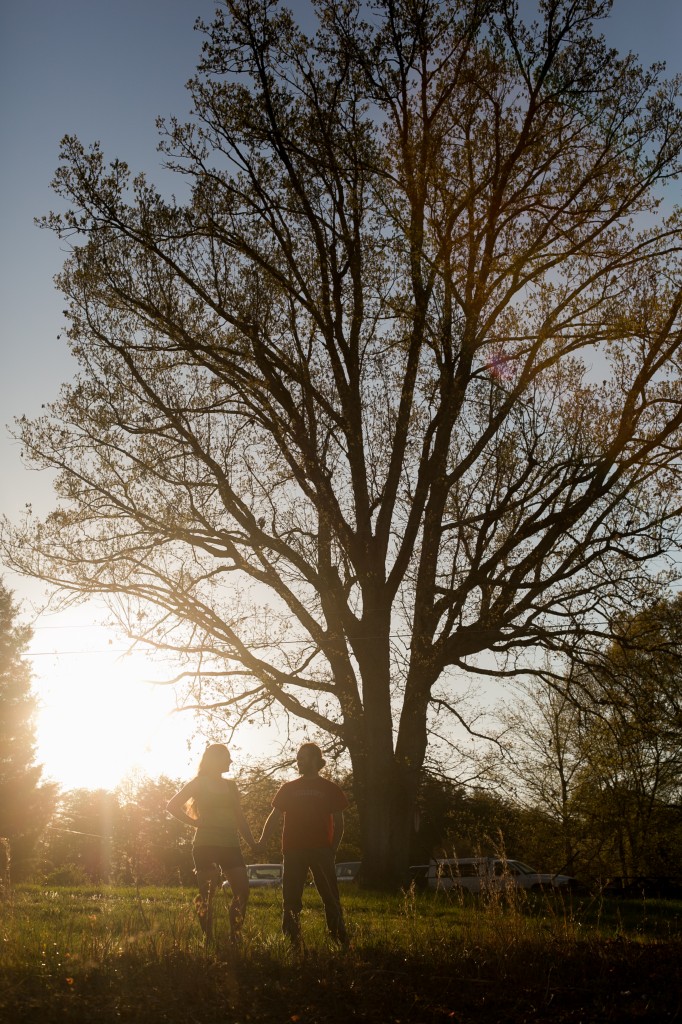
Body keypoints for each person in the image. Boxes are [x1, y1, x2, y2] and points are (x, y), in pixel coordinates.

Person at [166, 743, 258, 944]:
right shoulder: (199, 783)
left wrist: (252, 843)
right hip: (205, 844)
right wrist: (195, 822)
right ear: (215, 760)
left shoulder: (231, 786)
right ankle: (208, 939)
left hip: (230, 845)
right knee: (207, 896)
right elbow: (172, 805)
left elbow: (240, 818)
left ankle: (235, 936)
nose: (231, 761)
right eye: (227, 757)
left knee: (242, 892)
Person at [259, 742, 349, 947]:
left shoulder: (330, 788)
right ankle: (291, 940)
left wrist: (331, 850)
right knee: (291, 898)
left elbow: (340, 822)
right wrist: (262, 841)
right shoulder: (288, 788)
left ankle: (339, 938)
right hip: (293, 850)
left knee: (330, 897)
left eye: (303, 757)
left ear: (316, 760)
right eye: (298, 757)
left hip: (321, 850)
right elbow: (274, 817)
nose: (298, 760)